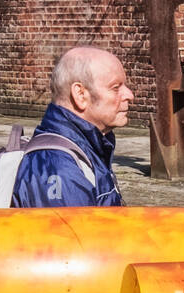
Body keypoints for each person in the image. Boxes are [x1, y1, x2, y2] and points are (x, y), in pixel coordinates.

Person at [12, 47, 130, 207]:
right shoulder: (58, 167)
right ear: (80, 95)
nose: (129, 95)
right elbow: (70, 231)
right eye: (116, 87)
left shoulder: (86, 148)